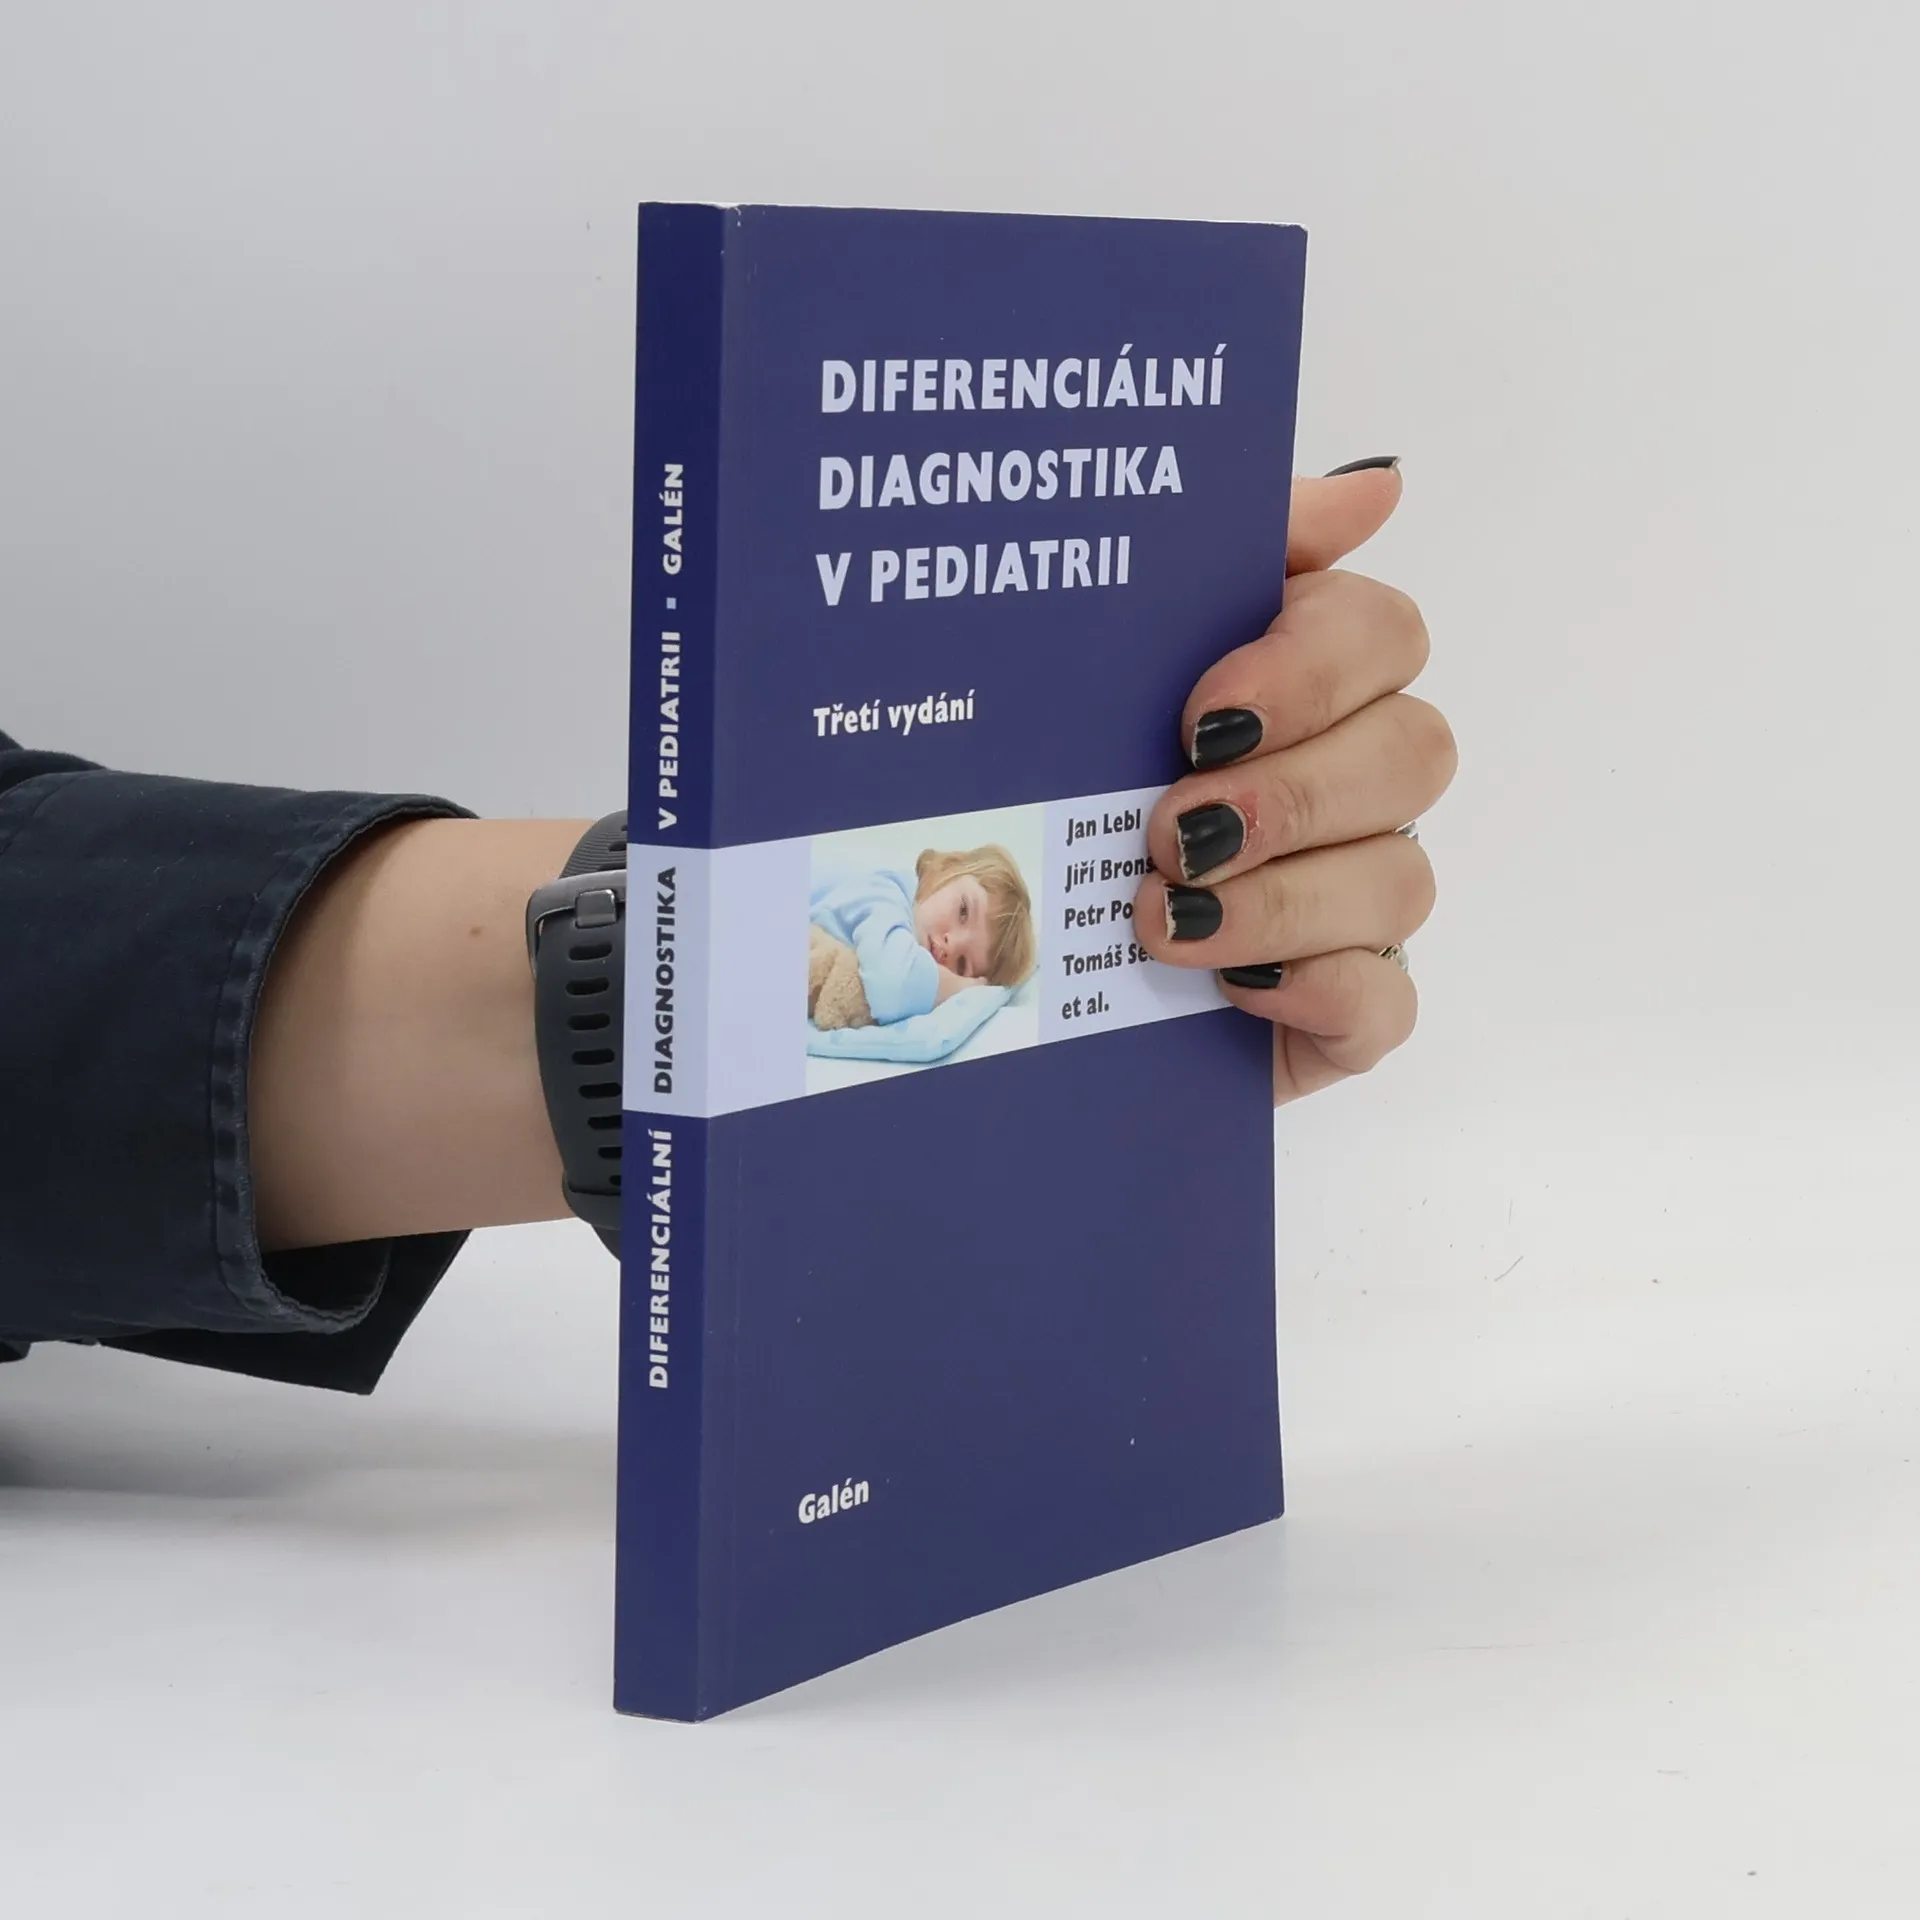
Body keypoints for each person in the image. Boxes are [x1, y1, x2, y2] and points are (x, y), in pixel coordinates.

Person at [0, 459, 1453, 1391]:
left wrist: (1098, 1007)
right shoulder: (875, 903)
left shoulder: (937, 983)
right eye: (962, 912)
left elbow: (892, 1027)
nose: (958, 947)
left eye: (974, 950)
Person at [808, 844, 1037, 1029]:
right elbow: (891, 984)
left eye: (962, 963)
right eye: (963, 911)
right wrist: (961, 985)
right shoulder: (886, 892)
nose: (951, 945)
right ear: (946, 869)